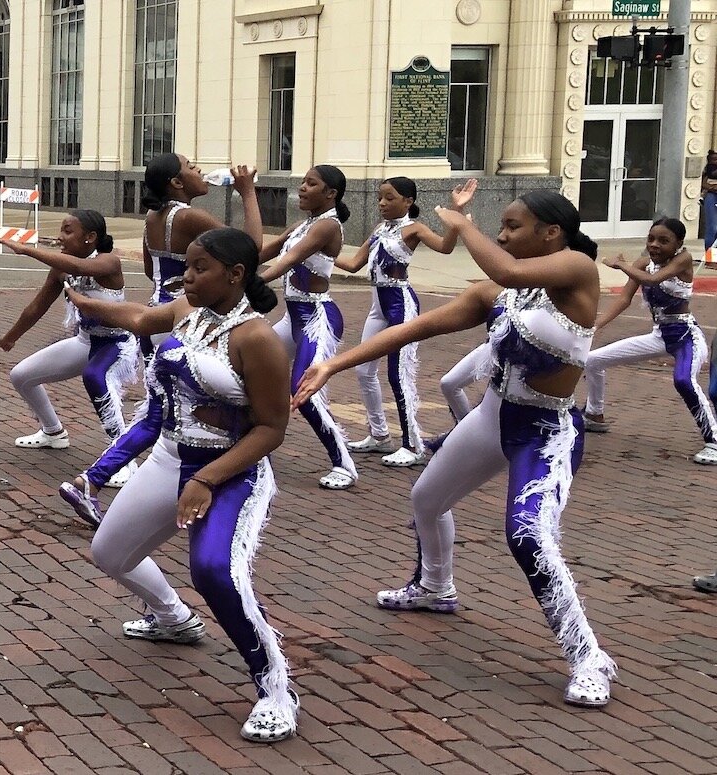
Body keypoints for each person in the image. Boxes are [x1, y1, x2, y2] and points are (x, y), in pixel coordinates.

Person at [294, 190, 618, 708]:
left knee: (529, 536)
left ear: (551, 232)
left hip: (546, 429)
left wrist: (460, 224)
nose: (502, 235)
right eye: (500, 228)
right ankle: (435, 587)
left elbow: (511, 270)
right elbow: (416, 327)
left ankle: (588, 657)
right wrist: (335, 363)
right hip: (493, 415)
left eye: (512, 226)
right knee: (426, 499)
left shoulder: (578, 270)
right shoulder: (496, 295)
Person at [66, 227, 299, 742]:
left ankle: (275, 689)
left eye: (199, 268)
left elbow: (271, 429)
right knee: (109, 552)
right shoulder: (185, 310)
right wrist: (85, 301)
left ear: (235, 275)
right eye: (187, 266)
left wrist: (209, 478)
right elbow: (139, 318)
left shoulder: (256, 338)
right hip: (170, 457)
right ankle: (173, 617)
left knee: (214, 569)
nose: (186, 276)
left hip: (231, 471)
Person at [336, 177, 477, 467]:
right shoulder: (378, 230)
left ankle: (412, 444)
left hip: (401, 303)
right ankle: (378, 435)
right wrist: (317, 252)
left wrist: (457, 211)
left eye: (389, 198)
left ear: (408, 201)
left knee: (398, 375)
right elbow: (353, 264)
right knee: (364, 370)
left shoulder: (415, 229)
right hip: (378, 305)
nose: (382, 204)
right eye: (380, 198)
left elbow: (445, 247)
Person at [0, 211, 140, 487]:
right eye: (61, 231)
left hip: (116, 343)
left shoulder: (108, 262)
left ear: (90, 238)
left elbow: (80, 268)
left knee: (96, 377)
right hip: (85, 341)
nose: (60, 237)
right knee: (21, 375)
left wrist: (27, 250)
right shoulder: (61, 269)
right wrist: (11, 336)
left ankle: (123, 460)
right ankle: (53, 432)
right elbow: (38, 306)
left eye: (67, 231)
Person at [254, 164, 358, 489]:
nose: (301, 188)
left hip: (318, 319)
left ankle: (344, 464)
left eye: (310, 184)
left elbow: (289, 259)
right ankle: (255, 450)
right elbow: (269, 251)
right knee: (253, 372)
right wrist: (229, 263)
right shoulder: (304, 223)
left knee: (304, 392)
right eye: (302, 182)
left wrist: (252, 284)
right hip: (292, 319)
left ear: (331, 194)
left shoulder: (327, 227)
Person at [582, 218, 717, 464]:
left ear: (679, 244)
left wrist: (621, 265)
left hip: (687, 336)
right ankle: (594, 414)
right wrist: (596, 326)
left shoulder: (683, 260)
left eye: (663, 241)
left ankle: (714, 441)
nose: (654, 245)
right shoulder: (643, 263)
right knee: (592, 360)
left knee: (684, 380)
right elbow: (624, 300)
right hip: (660, 335)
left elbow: (653, 281)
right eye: (651, 239)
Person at [140, 154, 261, 355]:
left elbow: (150, 270)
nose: (199, 170)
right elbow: (251, 247)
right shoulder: (189, 216)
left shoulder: (152, 216)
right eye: (191, 166)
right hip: (184, 320)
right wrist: (248, 193)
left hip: (155, 315)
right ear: (177, 182)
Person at [700, 150, 717, 262]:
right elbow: (703, 183)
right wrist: (711, 188)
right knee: (712, 227)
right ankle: (710, 259)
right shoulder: (709, 169)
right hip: (711, 196)